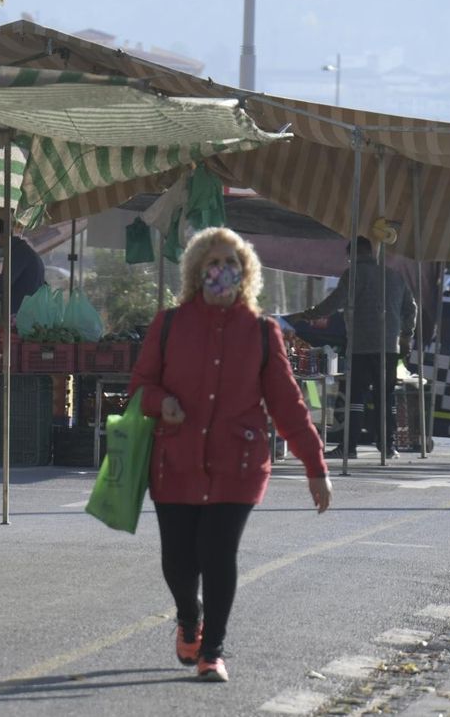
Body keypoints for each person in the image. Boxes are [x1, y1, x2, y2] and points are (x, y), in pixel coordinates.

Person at [130, 227, 332, 683]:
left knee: (218, 554)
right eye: (213, 263)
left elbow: (287, 404)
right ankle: (189, 617)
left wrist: (315, 466)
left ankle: (213, 650)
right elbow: (140, 386)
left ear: (246, 273)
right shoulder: (169, 325)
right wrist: (160, 402)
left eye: (231, 263)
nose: (222, 271)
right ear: (197, 271)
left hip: (237, 466)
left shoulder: (262, 332)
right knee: (179, 561)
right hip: (175, 463)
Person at [292, 237, 418, 458]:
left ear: (352, 255)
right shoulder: (395, 276)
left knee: (355, 397)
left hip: (362, 345)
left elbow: (334, 302)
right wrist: (406, 336)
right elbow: (411, 309)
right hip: (389, 347)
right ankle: (388, 446)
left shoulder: (353, 275)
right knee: (385, 396)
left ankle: (348, 447)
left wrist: (305, 315)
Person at [0, 218, 46, 316]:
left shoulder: (20, 253)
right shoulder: (19, 251)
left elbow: (4, 283)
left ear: (3, 236)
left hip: (23, 316)